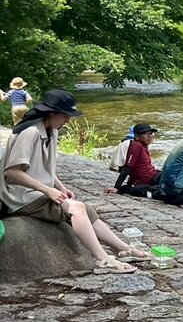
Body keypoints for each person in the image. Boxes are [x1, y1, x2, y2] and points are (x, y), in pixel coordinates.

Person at [0, 90, 145, 273]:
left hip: (36, 193)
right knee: (77, 210)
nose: (67, 121)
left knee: (85, 209)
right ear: (51, 113)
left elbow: (43, 166)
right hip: (19, 197)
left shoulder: (51, 130)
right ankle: (103, 259)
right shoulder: (30, 132)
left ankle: (123, 249)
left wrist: (60, 187)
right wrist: (47, 190)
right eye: (65, 116)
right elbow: (12, 172)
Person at [106, 123, 161, 197]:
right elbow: (127, 167)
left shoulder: (143, 145)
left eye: (151, 133)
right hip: (147, 181)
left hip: (154, 176)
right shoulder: (136, 146)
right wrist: (116, 187)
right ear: (137, 136)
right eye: (146, 134)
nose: (149, 136)